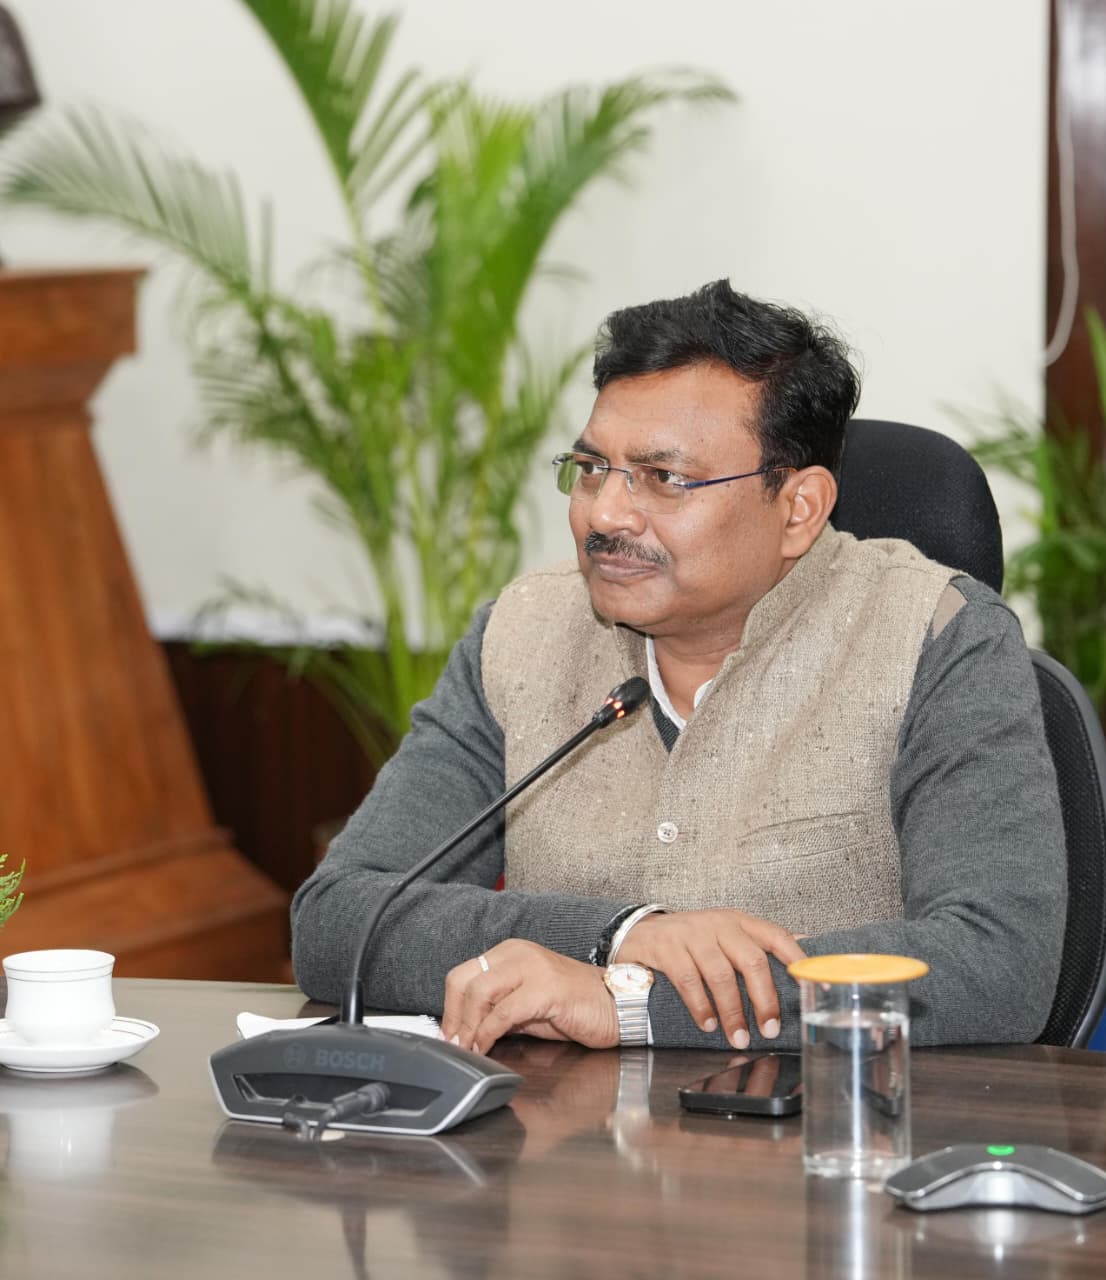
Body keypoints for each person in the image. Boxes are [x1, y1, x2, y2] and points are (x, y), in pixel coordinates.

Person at [291, 279, 1066, 1055]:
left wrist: (630, 1002)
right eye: (591, 468)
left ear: (798, 508)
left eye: (665, 479)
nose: (604, 514)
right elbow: (338, 921)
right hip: (559, 1123)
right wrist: (618, 935)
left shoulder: (936, 635)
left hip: (839, 1117)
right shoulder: (521, 635)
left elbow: (998, 961)